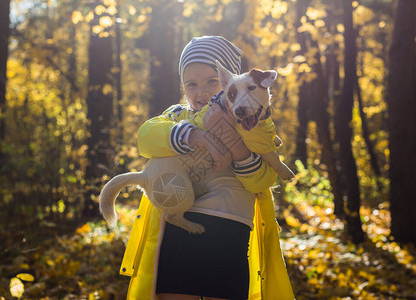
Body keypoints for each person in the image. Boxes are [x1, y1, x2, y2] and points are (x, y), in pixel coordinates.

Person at [119, 36, 294, 300]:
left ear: (229, 82)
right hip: (180, 229)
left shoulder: (253, 124)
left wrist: (235, 146)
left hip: (231, 231)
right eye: (191, 84)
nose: (201, 92)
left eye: (212, 82)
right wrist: (194, 136)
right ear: (183, 87)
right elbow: (145, 138)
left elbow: (261, 181)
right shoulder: (179, 116)